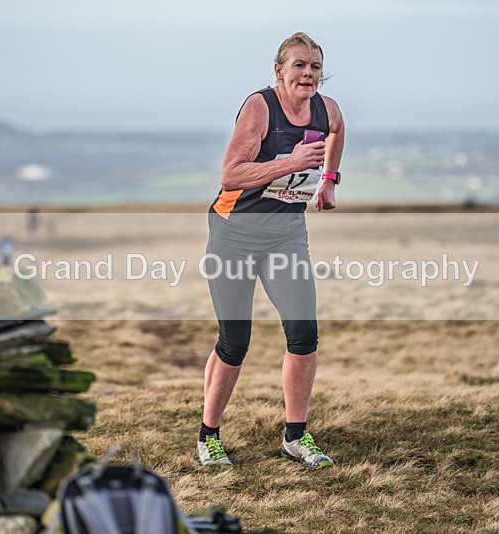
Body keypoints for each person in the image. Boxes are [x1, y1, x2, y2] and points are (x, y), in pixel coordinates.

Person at [197, 32, 345, 469]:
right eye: (299, 65)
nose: (308, 73)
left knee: (303, 335)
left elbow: (337, 131)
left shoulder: (327, 108)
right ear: (279, 70)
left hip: (285, 234)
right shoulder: (260, 107)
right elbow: (230, 174)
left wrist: (329, 181)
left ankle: (295, 437)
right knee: (235, 340)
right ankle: (208, 437)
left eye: (315, 66)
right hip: (234, 233)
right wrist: (292, 163)